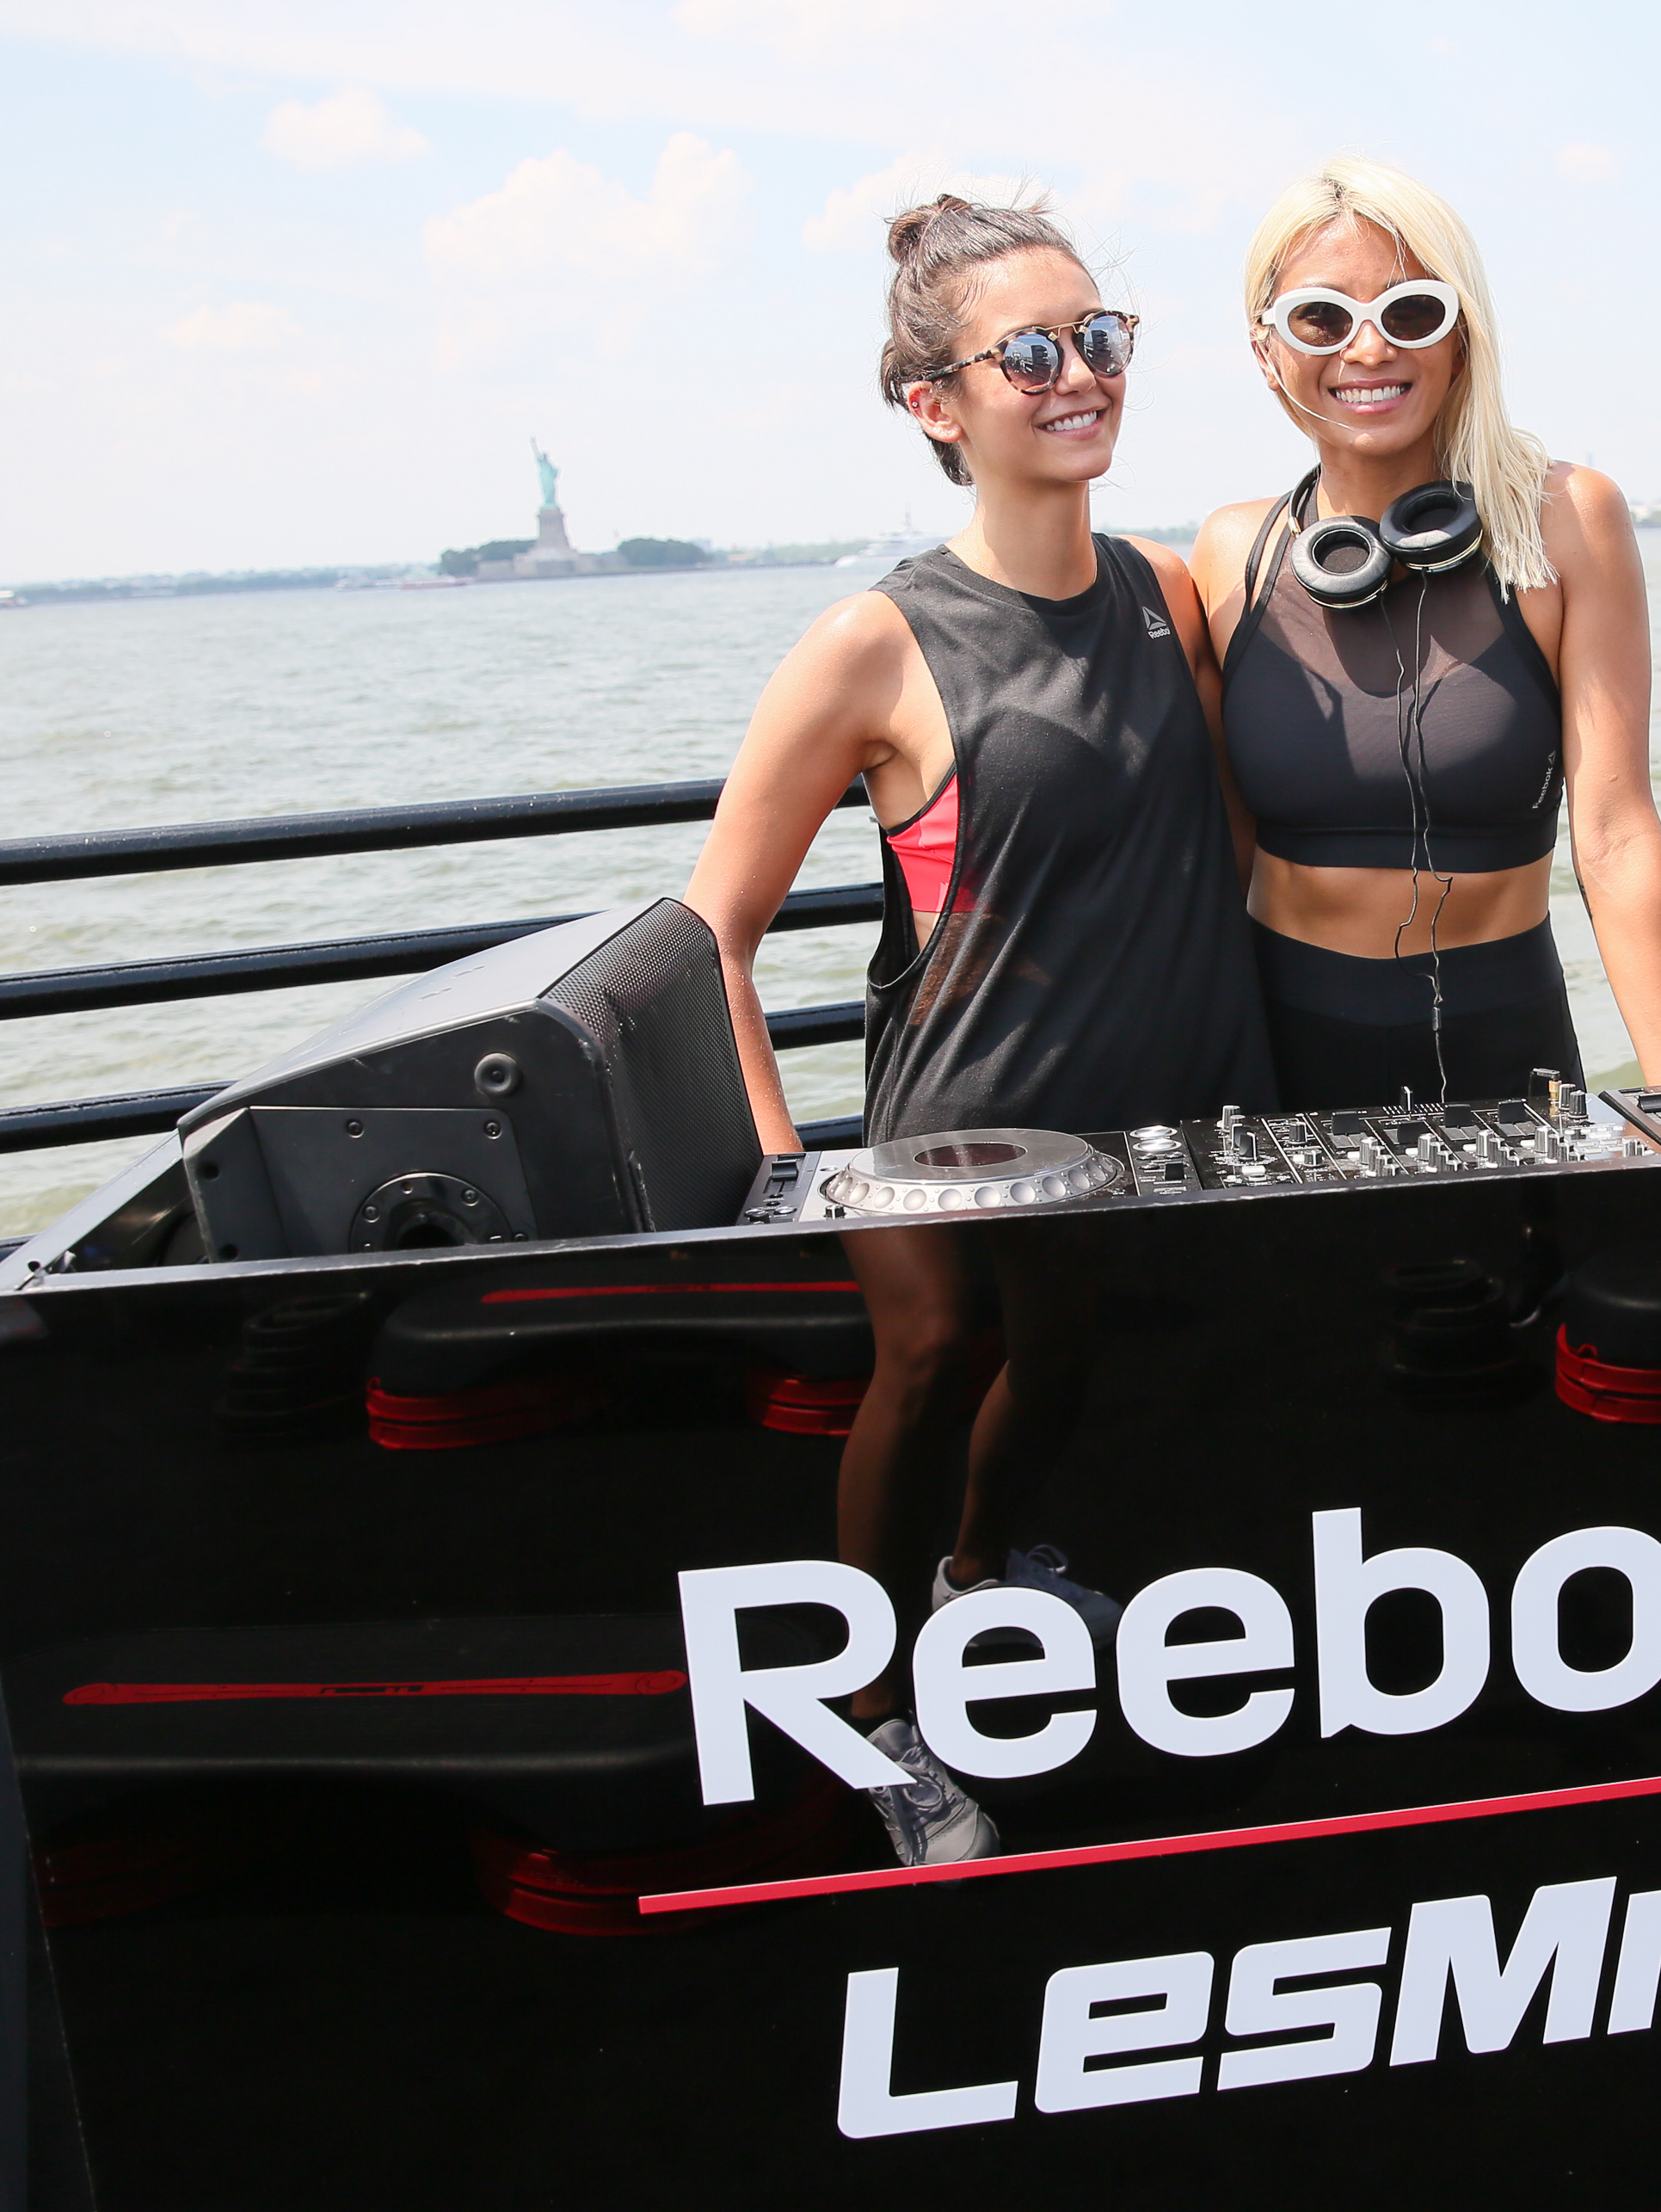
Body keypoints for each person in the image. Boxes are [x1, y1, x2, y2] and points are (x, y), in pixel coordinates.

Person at [682, 196, 1272, 1866]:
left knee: (1064, 1360)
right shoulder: (874, 641)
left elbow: (1238, 825)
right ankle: (874, 1717)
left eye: (1101, 337)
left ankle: (979, 1571)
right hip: (952, 1130)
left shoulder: (1168, 594)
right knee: (939, 1353)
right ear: (937, 403)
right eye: (1031, 352)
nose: (1079, 373)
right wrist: (786, 1169)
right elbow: (711, 934)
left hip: (1127, 1130)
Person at [1191, 159, 1661, 1112]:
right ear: (1267, 352)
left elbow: (1615, 834)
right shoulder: (1230, 553)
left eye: (1411, 312)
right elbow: (1217, 856)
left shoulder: (1564, 522)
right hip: (1275, 1066)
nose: (1368, 349)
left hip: (1508, 1052)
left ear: (1461, 335)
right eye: (1322, 318)